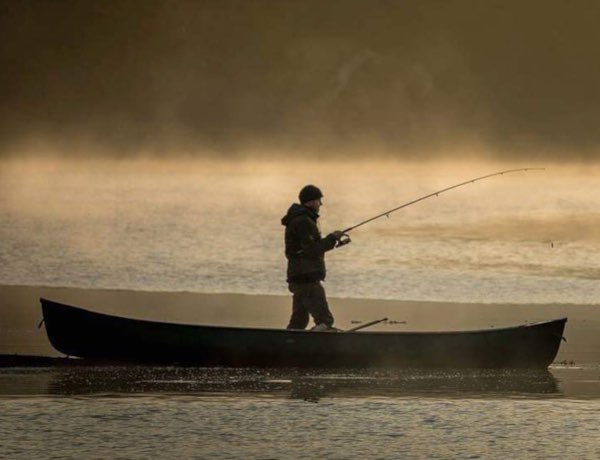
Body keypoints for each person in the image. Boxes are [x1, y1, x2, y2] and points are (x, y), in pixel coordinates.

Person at [281, 184, 346, 331]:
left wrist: (331, 239)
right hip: (307, 276)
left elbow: (306, 248)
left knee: (298, 322)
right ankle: (320, 344)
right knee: (325, 320)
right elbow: (311, 250)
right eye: (318, 200)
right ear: (310, 201)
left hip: (298, 276)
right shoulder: (304, 221)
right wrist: (332, 238)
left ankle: (287, 345)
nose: (320, 204)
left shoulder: (299, 219)